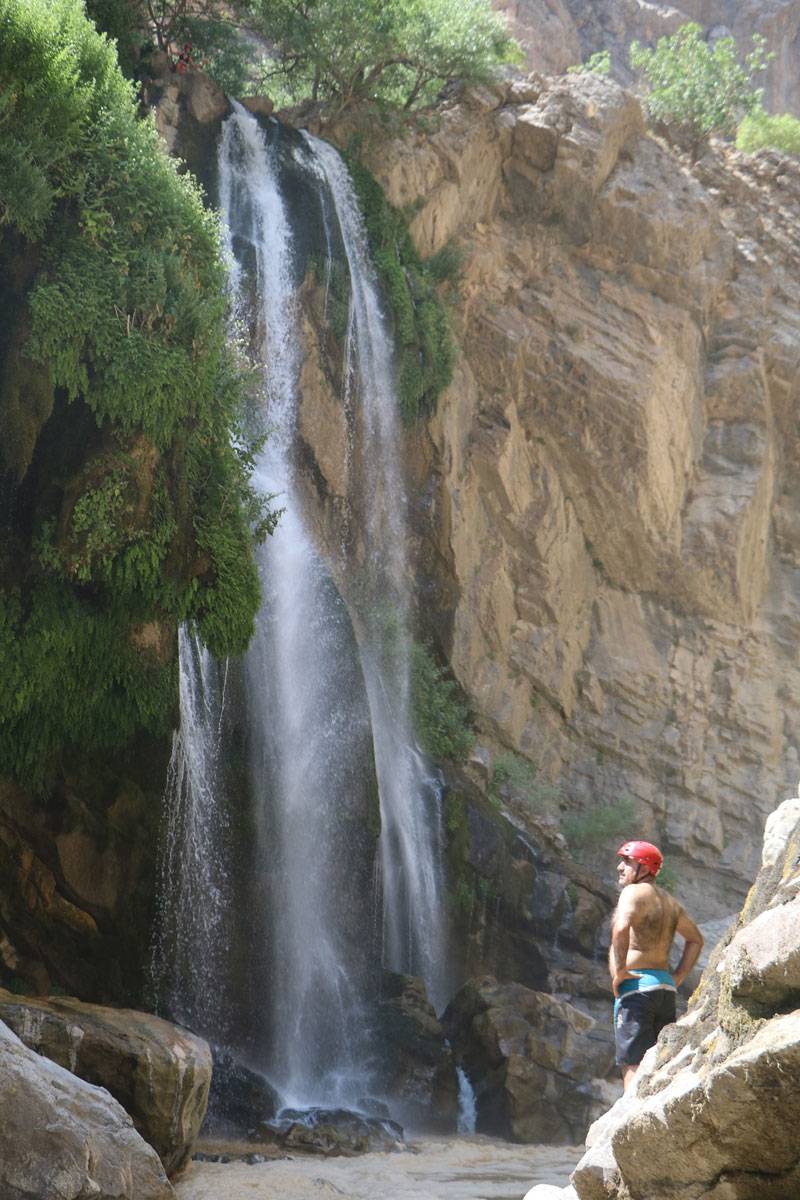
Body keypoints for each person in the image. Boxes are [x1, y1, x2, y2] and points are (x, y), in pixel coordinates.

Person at [609, 840, 704, 1093]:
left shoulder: (633, 892)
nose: (620, 867)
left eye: (627, 862)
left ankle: (629, 1127)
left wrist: (619, 972)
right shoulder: (670, 902)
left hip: (636, 988)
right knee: (656, 1063)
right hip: (664, 989)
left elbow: (620, 928)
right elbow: (696, 939)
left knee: (632, 1065)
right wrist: (678, 977)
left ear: (644, 867)